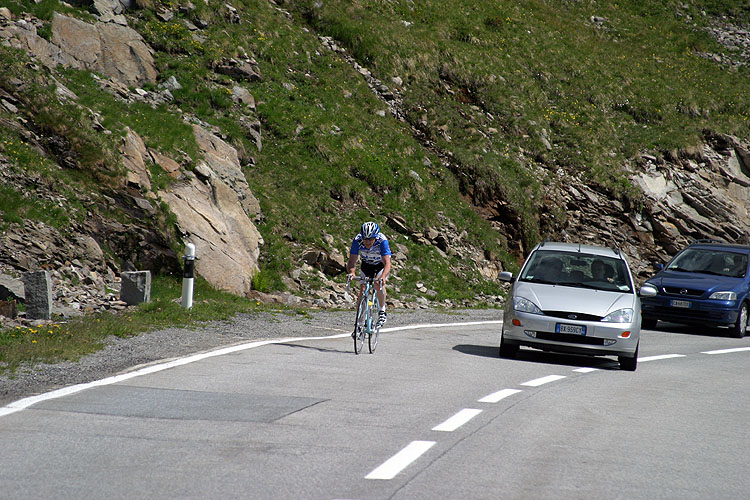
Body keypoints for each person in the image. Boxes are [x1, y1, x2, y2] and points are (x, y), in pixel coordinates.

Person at [347, 221, 392, 331]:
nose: (367, 242)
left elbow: (387, 263)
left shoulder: (382, 241)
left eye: (370, 239)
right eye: (365, 239)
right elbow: (352, 261)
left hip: (380, 265)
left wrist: (383, 276)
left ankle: (382, 311)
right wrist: (352, 272)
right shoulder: (357, 240)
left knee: (378, 283)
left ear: (375, 238)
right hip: (366, 265)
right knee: (362, 291)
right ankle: (359, 323)